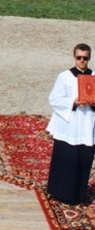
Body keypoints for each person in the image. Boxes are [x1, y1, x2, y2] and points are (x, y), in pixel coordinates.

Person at [46, 43, 95, 206]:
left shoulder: (94, 76)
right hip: (70, 124)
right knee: (66, 158)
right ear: (74, 57)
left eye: (85, 58)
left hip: (87, 124)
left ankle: (79, 194)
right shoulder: (64, 77)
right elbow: (54, 99)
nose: (82, 61)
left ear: (89, 58)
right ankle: (61, 192)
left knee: (83, 159)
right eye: (79, 57)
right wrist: (73, 102)